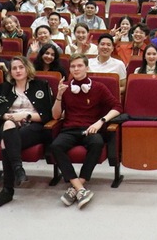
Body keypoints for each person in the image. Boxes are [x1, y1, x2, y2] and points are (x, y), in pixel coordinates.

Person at [50, 55, 122, 209]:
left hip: (90, 128)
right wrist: (59, 95)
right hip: (69, 129)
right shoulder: (65, 87)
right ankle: (80, 188)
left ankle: (76, 186)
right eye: (73, 66)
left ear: (87, 68)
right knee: (56, 146)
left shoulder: (98, 87)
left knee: (97, 142)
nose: (76, 69)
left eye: (79, 66)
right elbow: (55, 116)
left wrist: (101, 121)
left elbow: (117, 107)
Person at [0, 56, 54, 208]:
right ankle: (18, 169)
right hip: (10, 125)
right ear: (10, 72)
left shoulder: (41, 86)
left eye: (21, 67)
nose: (18, 71)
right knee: (8, 125)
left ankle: (7, 190)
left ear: (27, 69)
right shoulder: (3, 88)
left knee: (6, 141)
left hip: (34, 127)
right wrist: (8, 116)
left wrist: (24, 115)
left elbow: (48, 116)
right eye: (14, 68)